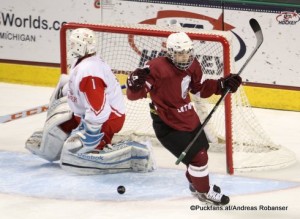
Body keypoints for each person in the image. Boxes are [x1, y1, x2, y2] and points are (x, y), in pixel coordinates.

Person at [126, 32, 242, 205]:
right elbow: (134, 96)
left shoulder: (193, 65)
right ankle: (205, 192)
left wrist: (221, 85)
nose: (185, 56)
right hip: (167, 123)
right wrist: (133, 85)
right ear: (170, 53)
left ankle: (196, 184)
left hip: (188, 117)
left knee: (201, 149)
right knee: (199, 157)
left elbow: (200, 89)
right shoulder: (156, 67)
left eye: (187, 52)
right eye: (180, 53)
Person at [26, 28, 154, 174]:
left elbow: (99, 110)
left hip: (107, 119)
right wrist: (64, 91)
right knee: (56, 132)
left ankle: (137, 154)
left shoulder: (89, 72)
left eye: (74, 44)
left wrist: (90, 133)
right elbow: (78, 86)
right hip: (84, 112)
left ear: (81, 46)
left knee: (73, 157)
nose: (72, 47)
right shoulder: (83, 62)